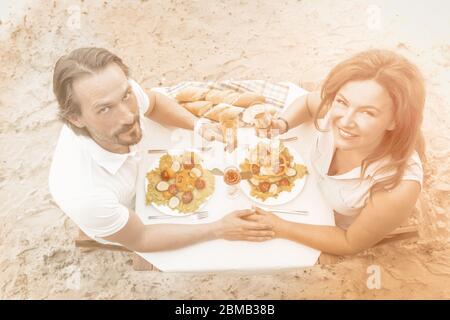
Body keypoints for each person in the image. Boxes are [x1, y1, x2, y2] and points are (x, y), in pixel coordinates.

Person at [49, 47, 274, 252]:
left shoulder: (115, 91)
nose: (129, 116)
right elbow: (142, 238)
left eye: (126, 95)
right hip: (120, 215)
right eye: (105, 109)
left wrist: (199, 125)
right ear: (76, 118)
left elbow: (154, 102)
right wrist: (219, 229)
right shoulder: (86, 194)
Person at [248, 49, 425, 255]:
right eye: (342, 102)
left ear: (396, 120)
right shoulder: (334, 109)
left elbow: (349, 243)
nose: (345, 121)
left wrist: (280, 227)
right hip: (299, 188)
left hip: (329, 226)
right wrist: (281, 124)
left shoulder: (397, 187)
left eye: (368, 112)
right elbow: (307, 103)